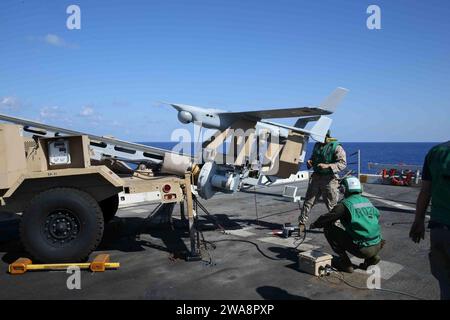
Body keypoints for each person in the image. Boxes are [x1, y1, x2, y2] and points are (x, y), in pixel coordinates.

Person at [310, 176, 383, 273]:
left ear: (344, 189)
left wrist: (315, 224)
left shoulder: (344, 205)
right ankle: (372, 258)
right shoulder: (367, 201)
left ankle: (346, 263)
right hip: (378, 245)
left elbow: (327, 218)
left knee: (328, 228)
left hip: (362, 249)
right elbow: (377, 216)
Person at [409, 141, 450, 300]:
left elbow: (425, 191)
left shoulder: (436, 152)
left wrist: (418, 221)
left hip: (440, 230)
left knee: (445, 283)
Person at [298, 131, 346, 231]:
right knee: (308, 202)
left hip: (329, 180)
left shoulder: (336, 147)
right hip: (316, 178)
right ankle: (301, 224)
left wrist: (328, 166)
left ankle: (336, 228)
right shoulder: (317, 145)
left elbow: (342, 164)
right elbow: (313, 158)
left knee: (332, 206)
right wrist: (310, 162)